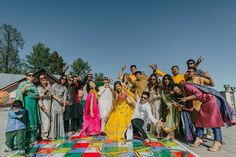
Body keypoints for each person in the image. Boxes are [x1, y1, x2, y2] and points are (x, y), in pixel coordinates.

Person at [172, 83, 234, 152]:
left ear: (180, 87)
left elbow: (199, 94)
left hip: (212, 99)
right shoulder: (185, 94)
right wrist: (179, 105)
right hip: (205, 102)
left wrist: (186, 98)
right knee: (199, 121)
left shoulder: (187, 86)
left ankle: (218, 141)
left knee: (214, 121)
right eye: (176, 92)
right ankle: (199, 139)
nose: (178, 92)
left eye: (178, 89)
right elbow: (190, 108)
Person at [16, 72, 40, 145]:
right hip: (27, 103)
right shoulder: (23, 83)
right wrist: (26, 87)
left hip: (34, 104)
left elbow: (37, 95)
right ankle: (27, 139)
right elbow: (20, 92)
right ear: (26, 76)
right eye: (29, 75)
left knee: (34, 119)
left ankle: (33, 138)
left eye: (33, 75)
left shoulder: (34, 85)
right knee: (29, 119)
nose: (31, 76)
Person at [145, 73, 163, 137]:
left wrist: (154, 96)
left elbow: (161, 95)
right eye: (151, 79)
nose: (153, 80)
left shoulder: (159, 86)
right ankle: (153, 131)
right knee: (152, 116)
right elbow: (146, 93)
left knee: (157, 116)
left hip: (157, 103)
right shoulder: (149, 86)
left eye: (154, 79)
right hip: (151, 103)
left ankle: (158, 132)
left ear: (156, 79)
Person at [37, 74, 52, 140]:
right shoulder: (39, 88)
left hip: (50, 105)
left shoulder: (49, 86)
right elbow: (39, 98)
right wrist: (42, 106)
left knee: (49, 121)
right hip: (44, 105)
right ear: (40, 80)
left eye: (44, 77)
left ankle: (48, 134)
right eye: (41, 78)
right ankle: (44, 135)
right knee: (45, 121)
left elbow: (52, 94)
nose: (43, 79)